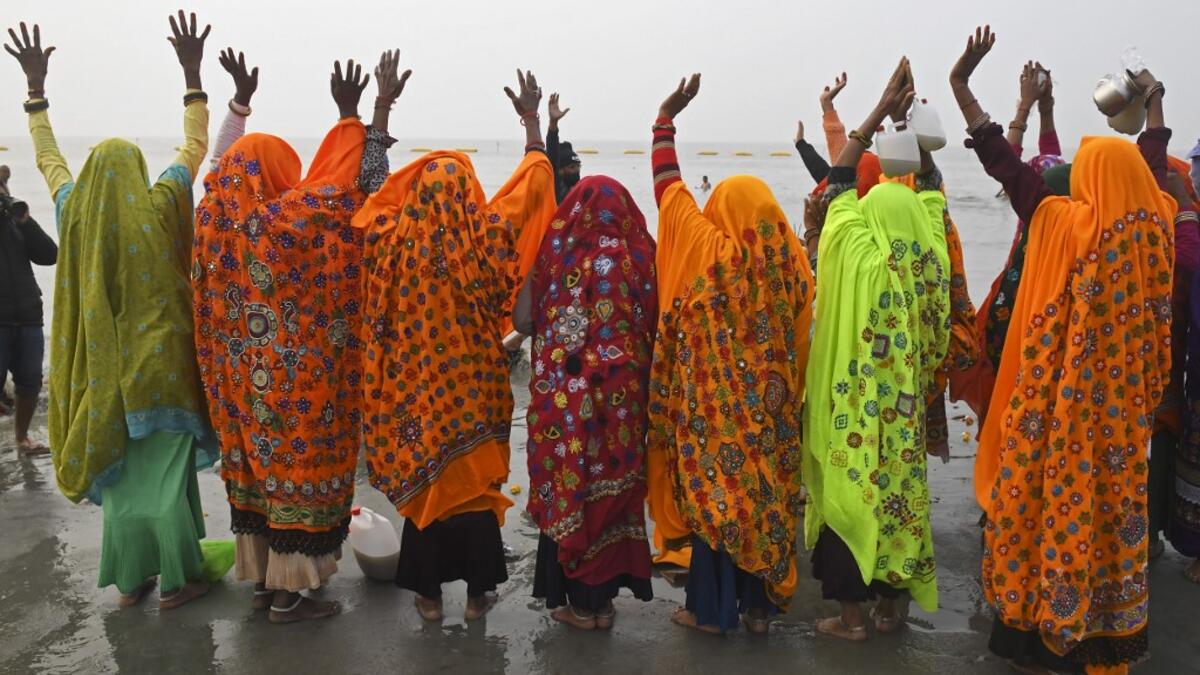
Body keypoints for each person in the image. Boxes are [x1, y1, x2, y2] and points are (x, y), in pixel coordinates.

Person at [954, 26, 1176, 673]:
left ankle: (1040, 632)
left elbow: (1004, 163)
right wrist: (1154, 99)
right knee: (1110, 526)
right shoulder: (1154, 225)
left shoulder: (1064, 227)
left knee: (1041, 515)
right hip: (1122, 427)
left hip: (1058, 427)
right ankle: (1101, 629)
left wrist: (964, 86)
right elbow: (1153, 157)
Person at [7, 13, 216, 609]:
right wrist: (193, 75)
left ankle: (131, 581)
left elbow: (49, 162)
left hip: (107, 379)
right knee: (166, 483)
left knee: (125, 486)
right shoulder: (163, 201)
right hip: (165, 373)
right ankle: (179, 579)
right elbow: (195, 147)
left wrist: (35, 94)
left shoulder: (76, 211)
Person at [353, 69, 555, 622]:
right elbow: (534, 186)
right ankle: (477, 596)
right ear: (467, 194)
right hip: (475, 396)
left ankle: (427, 596)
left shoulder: (391, 242)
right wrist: (534, 124)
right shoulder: (486, 238)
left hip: (416, 404)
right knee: (472, 490)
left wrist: (380, 111)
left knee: (431, 493)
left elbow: (368, 192)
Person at [192, 47, 380, 622]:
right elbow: (351, 193)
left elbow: (222, 164)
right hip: (293, 393)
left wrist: (235, 106)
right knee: (295, 476)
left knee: (255, 475)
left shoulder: (214, 220)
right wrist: (358, 117)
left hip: (235, 391)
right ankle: (289, 594)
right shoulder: (285, 226)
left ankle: (264, 579)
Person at [647, 73, 815, 636]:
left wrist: (665, 120)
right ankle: (761, 612)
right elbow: (803, 339)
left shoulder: (710, 252)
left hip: (711, 422)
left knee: (716, 505)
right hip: (772, 420)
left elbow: (670, 194)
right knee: (767, 503)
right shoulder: (792, 267)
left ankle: (709, 613)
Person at [802, 58, 949, 642]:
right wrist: (915, 130)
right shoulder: (929, 261)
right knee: (898, 501)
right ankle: (892, 610)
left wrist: (879, 112)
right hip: (905, 413)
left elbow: (836, 187)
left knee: (848, 497)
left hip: (853, 415)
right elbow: (933, 194)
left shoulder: (860, 251)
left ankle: (852, 618)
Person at [512, 175, 657, 630]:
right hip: (621, 403)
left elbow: (522, 319)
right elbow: (657, 318)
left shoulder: (558, 253)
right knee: (615, 493)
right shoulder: (639, 256)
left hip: (566, 407)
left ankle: (578, 605)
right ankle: (604, 603)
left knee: (572, 486)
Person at [962, 60, 1066, 425]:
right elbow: (1023, 162)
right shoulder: (1074, 222)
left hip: (1021, 297)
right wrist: (1046, 109)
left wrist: (1025, 106)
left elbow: (1006, 162)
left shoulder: (1035, 218)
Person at [0, 163, 56, 454]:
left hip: (28, 317)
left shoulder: (15, 222)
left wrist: (25, 220)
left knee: (30, 382)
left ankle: (22, 438)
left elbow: (49, 255)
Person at [546, 92, 581, 204]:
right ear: (560, 170)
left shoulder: (580, 191)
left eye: (578, 166)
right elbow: (552, 155)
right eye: (572, 167)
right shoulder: (556, 189)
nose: (577, 171)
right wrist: (553, 123)